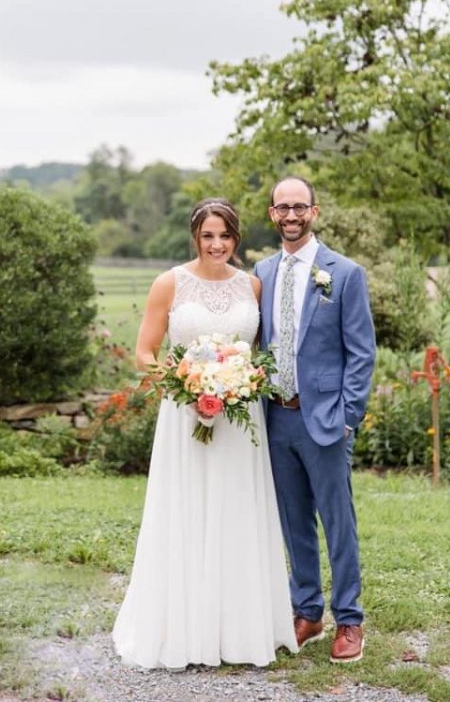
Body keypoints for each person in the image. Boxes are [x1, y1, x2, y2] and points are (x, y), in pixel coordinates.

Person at [112, 198, 298, 670]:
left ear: (237, 238)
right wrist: (185, 386)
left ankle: (240, 629)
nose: (217, 244)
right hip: (184, 415)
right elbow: (144, 354)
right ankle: (183, 628)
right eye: (208, 235)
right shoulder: (169, 283)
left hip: (240, 420)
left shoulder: (252, 285)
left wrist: (241, 383)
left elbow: (259, 354)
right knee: (187, 509)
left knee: (237, 510)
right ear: (195, 236)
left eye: (226, 235)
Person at [254, 176, 375, 664]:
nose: (290, 215)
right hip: (276, 418)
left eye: (298, 206)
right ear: (271, 214)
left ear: (314, 212)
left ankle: (351, 619)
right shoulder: (261, 272)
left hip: (324, 419)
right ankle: (307, 611)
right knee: (292, 521)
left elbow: (361, 353)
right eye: (282, 207)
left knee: (337, 521)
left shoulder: (343, 274)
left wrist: (348, 416)